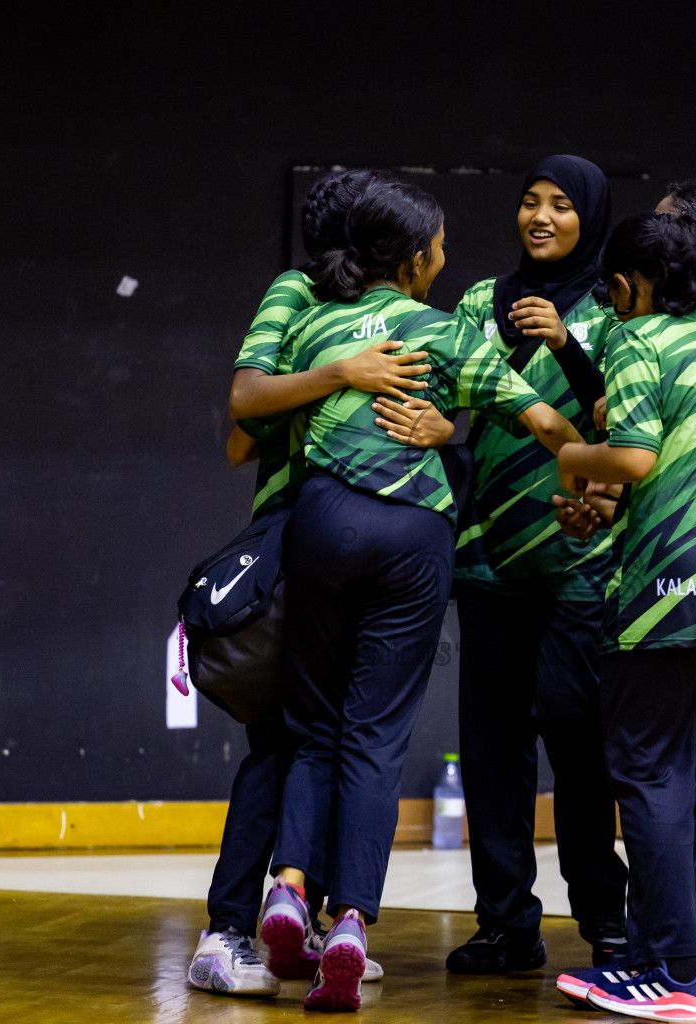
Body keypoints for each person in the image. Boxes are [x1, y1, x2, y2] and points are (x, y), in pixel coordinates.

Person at [248, 177, 584, 1013]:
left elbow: (249, 415)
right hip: (412, 538)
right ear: (413, 259)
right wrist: (589, 466)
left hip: (321, 524)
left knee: (310, 725)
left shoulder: (314, 323)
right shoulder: (443, 331)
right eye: (437, 244)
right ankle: (353, 921)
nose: (444, 255)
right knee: (372, 734)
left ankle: (288, 888)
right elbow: (543, 421)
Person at [187, 169, 450, 997]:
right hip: (294, 529)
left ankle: (319, 920)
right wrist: (340, 375)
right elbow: (242, 422)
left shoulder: (362, 305)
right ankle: (229, 930)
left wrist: (431, 423)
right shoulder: (299, 292)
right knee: (289, 742)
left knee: (335, 741)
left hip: (337, 530)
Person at [550, 211, 696, 1024]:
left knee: (647, 770)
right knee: (678, 767)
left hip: (668, 592)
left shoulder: (638, 339)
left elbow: (634, 457)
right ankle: (679, 962)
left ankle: (671, 972)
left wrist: (568, 454)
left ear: (627, 287)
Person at [439, 155, 629, 975]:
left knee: (579, 743)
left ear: (590, 217)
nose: (540, 217)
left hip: (579, 559)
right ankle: (507, 921)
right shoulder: (480, 300)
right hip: (486, 560)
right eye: (529, 202)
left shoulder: (614, 310)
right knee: (490, 750)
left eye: (560, 205)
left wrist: (565, 342)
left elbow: (617, 420)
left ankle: (605, 919)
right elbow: (452, 406)